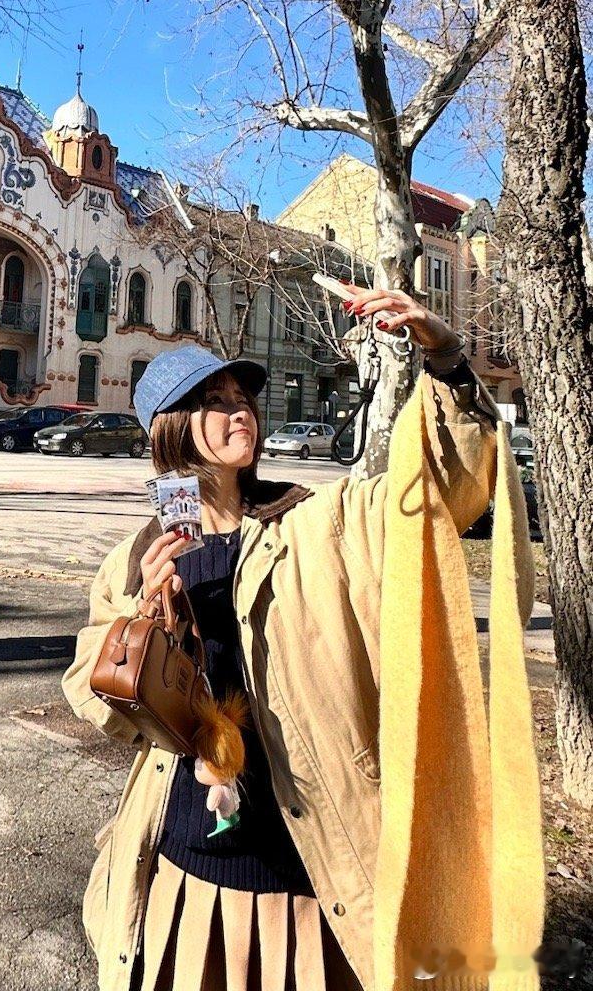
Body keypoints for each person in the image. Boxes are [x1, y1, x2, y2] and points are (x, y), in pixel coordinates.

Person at [62, 287, 503, 991]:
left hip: (313, 863)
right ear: (170, 429)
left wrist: (445, 358)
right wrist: (144, 621)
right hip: (186, 863)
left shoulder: (320, 520)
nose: (240, 410)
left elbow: (445, 492)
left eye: (243, 398)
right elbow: (95, 699)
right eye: (215, 401)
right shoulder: (138, 558)